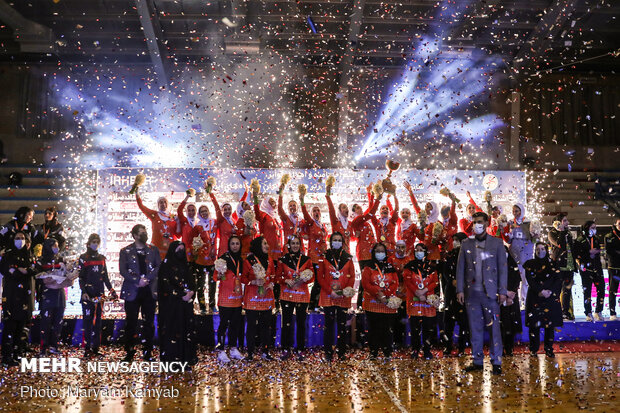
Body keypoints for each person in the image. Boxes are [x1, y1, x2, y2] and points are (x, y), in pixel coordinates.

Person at [456, 212, 507, 375]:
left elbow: (502, 269)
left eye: (479, 222)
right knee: (475, 328)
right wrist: (460, 290)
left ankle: (496, 361)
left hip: (491, 294)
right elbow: (460, 269)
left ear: (486, 223)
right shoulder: (465, 243)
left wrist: (503, 291)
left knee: (494, 330)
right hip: (472, 294)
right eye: (474, 222)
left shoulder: (497, 243)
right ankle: (477, 360)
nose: (476, 225)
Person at [119, 224, 161, 361]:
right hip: (133, 290)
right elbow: (123, 270)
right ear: (135, 235)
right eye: (142, 233)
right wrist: (137, 280)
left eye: (145, 232)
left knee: (148, 322)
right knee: (131, 322)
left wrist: (147, 279)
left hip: (149, 290)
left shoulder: (153, 249)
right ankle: (129, 352)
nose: (145, 235)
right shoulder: (125, 251)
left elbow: (158, 266)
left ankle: (148, 352)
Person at [316, 232, 356, 361]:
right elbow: (320, 277)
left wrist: (345, 291)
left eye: (339, 240)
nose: (337, 242)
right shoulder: (324, 256)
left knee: (342, 325)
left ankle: (341, 352)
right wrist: (330, 291)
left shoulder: (348, 257)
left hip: (343, 296)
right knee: (329, 325)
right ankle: (328, 352)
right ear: (331, 241)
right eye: (335, 240)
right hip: (328, 296)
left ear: (343, 242)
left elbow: (352, 276)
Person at [157, 241, 197, 365]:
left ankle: (186, 357)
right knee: (171, 331)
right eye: (178, 249)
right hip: (171, 306)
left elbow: (192, 283)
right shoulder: (166, 265)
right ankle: (171, 358)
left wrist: (191, 293)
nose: (180, 252)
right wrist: (180, 295)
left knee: (186, 330)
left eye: (182, 250)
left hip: (185, 306)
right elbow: (165, 284)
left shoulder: (186, 265)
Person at [78, 234, 118, 358]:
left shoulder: (102, 258)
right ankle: (87, 348)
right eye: (93, 242)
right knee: (88, 321)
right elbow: (81, 277)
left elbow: (105, 276)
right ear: (88, 243)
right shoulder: (83, 258)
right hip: (88, 295)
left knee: (98, 322)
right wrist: (84, 292)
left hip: (99, 294)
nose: (95, 244)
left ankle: (95, 348)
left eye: (97, 242)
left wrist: (112, 291)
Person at [0, 231, 35, 366]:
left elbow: (33, 270)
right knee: (9, 325)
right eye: (17, 238)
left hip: (24, 295)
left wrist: (18, 270)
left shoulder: (28, 255)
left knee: (21, 326)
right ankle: (7, 356)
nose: (20, 240)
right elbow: (7, 271)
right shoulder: (8, 255)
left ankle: (17, 353)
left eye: (22, 238)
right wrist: (22, 271)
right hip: (10, 295)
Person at [277, 235, 313, 360]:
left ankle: (300, 349)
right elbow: (277, 277)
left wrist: (305, 278)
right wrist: (285, 280)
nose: (295, 245)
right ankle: (286, 348)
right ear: (289, 245)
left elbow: (312, 277)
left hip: (302, 295)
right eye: (293, 243)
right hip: (287, 295)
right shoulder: (283, 259)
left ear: (300, 245)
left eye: (297, 243)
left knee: (301, 323)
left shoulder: (306, 260)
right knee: (286, 323)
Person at [524, 242, 563, 358]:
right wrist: (540, 291)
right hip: (535, 297)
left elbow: (558, 279)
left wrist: (549, 291)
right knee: (534, 326)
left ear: (547, 250)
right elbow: (530, 280)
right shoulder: (529, 264)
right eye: (538, 249)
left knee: (550, 326)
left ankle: (549, 349)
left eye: (542, 249)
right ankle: (533, 349)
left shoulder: (553, 264)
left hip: (550, 297)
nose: (540, 251)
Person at [361, 243, 399, 360]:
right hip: (372, 303)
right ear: (373, 253)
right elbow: (366, 284)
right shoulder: (368, 267)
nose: (380, 253)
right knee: (374, 328)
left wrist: (385, 295)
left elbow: (395, 283)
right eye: (377, 251)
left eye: (382, 251)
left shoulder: (390, 267)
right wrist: (378, 293)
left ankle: (387, 352)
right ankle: (374, 352)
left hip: (387, 303)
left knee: (387, 329)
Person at [36, 238, 73, 355]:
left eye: (57, 246)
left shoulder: (61, 260)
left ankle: (54, 345)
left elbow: (69, 279)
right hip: (47, 295)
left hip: (59, 295)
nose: (56, 248)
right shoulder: (41, 261)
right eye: (53, 246)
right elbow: (40, 280)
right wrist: (51, 282)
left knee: (58, 321)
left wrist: (56, 283)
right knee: (45, 322)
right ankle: (43, 347)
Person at [241, 237, 276, 361]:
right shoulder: (248, 261)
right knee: (251, 326)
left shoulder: (270, 260)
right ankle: (250, 353)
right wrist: (253, 281)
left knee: (266, 326)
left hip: (266, 296)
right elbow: (243, 278)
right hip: (252, 298)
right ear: (257, 245)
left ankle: (265, 352)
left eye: (267, 243)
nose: (267, 246)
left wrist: (271, 283)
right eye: (265, 243)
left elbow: (272, 276)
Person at [403, 243, 438, 359]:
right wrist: (417, 292)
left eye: (421, 250)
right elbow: (407, 281)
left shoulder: (432, 267)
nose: (419, 252)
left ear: (425, 252)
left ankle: (427, 350)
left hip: (428, 301)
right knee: (415, 328)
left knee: (428, 328)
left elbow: (435, 282)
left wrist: (425, 291)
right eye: (417, 250)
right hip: (414, 301)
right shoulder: (409, 266)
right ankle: (415, 350)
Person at [213, 236, 245, 363]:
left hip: (237, 298)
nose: (235, 246)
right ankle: (220, 350)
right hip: (225, 298)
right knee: (223, 324)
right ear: (228, 245)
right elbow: (215, 277)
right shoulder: (223, 259)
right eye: (232, 243)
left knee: (235, 325)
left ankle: (233, 348)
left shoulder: (241, 260)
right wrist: (220, 274)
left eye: (237, 243)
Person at [440, 232, 469, 356]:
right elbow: (445, 272)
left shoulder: (469, 256)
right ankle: (447, 346)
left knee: (464, 322)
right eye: (454, 240)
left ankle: (462, 348)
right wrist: (451, 281)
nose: (456, 242)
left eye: (458, 240)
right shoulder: (449, 256)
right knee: (448, 323)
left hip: (464, 292)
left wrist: (462, 282)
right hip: (451, 292)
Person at [187, 202, 218, 314]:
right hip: (200, 261)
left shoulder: (214, 223)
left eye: (206, 211)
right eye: (202, 212)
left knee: (212, 284)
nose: (204, 213)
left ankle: (212, 305)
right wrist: (199, 250)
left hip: (213, 260)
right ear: (199, 214)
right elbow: (191, 242)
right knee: (200, 285)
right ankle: (202, 306)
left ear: (209, 212)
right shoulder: (197, 227)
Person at [299, 191, 328, 310]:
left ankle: (317, 304)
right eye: (314, 211)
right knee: (317, 281)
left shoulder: (322, 225)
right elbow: (305, 214)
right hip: (314, 257)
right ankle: (311, 305)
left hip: (322, 257)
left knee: (321, 281)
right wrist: (301, 200)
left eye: (318, 210)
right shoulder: (311, 223)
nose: (317, 212)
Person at [574, 220, 605, 321]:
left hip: (597, 268)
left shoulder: (596, 239)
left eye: (595, 228)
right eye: (592, 227)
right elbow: (577, 255)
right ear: (586, 228)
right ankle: (588, 312)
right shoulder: (580, 240)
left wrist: (596, 252)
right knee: (587, 291)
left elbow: (598, 251)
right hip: (586, 269)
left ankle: (598, 311)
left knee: (601, 289)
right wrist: (588, 253)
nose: (594, 230)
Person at [135, 189, 178, 259]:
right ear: (158, 205)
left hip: (170, 251)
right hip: (155, 251)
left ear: (168, 204)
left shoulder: (173, 218)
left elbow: (177, 234)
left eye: (165, 202)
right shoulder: (154, 215)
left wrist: (178, 222)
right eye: (161, 202)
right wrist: (137, 193)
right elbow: (142, 207)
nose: (163, 204)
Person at [548, 213, 576, 320]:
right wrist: (560, 231)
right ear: (558, 223)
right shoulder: (552, 233)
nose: (567, 223)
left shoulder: (568, 233)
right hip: (559, 265)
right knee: (557, 289)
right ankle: (555, 311)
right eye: (564, 221)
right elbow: (560, 244)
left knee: (567, 290)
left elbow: (571, 247)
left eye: (566, 221)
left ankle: (565, 311)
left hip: (569, 265)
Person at [506, 203, 535, 305]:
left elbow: (534, 238)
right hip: (514, 251)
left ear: (521, 211)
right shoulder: (510, 222)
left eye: (517, 211)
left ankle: (524, 299)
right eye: (513, 211)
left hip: (526, 251)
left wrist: (535, 235)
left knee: (525, 276)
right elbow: (508, 240)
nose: (515, 213)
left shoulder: (529, 222)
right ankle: (514, 299)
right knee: (514, 276)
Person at [500, 246, 523, 357]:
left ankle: (509, 348)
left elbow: (517, 280)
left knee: (511, 324)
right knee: (501, 325)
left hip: (512, 299)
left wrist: (511, 295)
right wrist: (504, 293)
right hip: (499, 299)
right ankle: (501, 348)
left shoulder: (512, 264)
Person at [388, 240, 411, 348]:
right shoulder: (391, 259)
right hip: (394, 292)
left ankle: (405, 341)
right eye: (398, 247)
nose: (400, 250)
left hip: (406, 293)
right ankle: (395, 341)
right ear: (395, 248)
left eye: (402, 247)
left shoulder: (409, 259)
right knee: (394, 319)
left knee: (404, 318)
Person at [252, 188, 283, 260]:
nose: (274, 203)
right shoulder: (263, 215)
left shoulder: (275, 217)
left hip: (277, 249)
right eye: (271, 202)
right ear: (266, 204)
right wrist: (255, 198)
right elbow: (257, 212)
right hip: (267, 248)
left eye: (274, 202)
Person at [208, 185, 238, 257]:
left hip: (234, 249)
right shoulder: (221, 219)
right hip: (224, 249)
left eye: (229, 209)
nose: (227, 211)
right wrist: (210, 192)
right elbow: (216, 206)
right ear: (222, 211)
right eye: (225, 209)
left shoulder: (233, 220)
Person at [325, 183, 353, 253]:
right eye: (344, 207)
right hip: (336, 252)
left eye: (347, 207)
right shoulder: (335, 222)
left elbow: (352, 238)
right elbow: (331, 210)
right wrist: (328, 196)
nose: (346, 209)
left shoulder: (350, 224)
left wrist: (356, 236)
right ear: (340, 211)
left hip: (347, 254)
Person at [278, 185, 303, 253]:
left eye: (294, 205)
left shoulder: (301, 220)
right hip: (288, 248)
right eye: (290, 206)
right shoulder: (286, 218)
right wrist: (280, 194)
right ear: (288, 208)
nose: (292, 207)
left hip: (299, 248)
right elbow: (280, 208)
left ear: (297, 207)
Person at [604, 217, 620, 321]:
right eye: (619, 224)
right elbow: (609, 251)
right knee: (613, 290)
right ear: (615, 224)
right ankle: (612, 312)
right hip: (614, 266)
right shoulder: (609, 236)